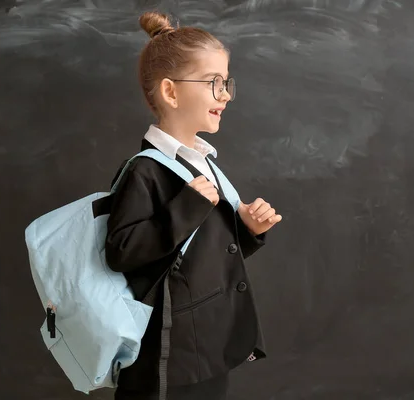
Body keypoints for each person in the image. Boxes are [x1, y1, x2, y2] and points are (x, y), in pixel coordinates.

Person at [104, 11, 283, 400]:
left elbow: (199, 255)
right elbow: (121, 253)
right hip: (166, 354)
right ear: (171, 92)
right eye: (214, 83)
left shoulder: (203, 162)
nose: (226, 94)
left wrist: (248, 232)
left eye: (227, 83)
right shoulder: (146, 171)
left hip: (205, 344)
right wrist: (187, 206)